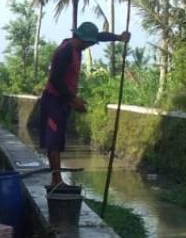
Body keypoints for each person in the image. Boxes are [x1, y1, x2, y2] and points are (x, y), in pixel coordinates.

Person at [39, 20, 130, 189]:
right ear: (82, 40)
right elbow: (56, 80)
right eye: (89, 43)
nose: (90, 46)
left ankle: (57, 180)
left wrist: (118, 37)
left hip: (62, 101)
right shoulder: (65, 52)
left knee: (59, 139)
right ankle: (56, 181)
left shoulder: (75, 47)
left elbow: (100, 36)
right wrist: (73, 100)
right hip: (53, 101)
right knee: (54, 141)